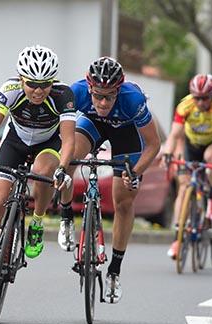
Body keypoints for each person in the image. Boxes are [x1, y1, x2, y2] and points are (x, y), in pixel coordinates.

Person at [0, 45, 76, 300]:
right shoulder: (10, 90)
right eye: (32, 84)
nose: (38, 91)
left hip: (48, 144)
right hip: (15, 142)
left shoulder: (63, 95)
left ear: (53, 81)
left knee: (42, 170)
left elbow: (68, 140)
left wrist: (61, 168)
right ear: (21, 79)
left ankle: (37, 220)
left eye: (44, 84)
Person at [58, 57, 161, 303]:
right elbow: (63, 133)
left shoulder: (132, 100)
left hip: (125, 132)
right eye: (98, 96)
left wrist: (135, 172)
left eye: (109, 97)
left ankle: (114, 270)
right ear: (90, 89)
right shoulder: (77, 92)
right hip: (92, 125)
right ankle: (65, 218)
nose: (103, 102)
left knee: (123, 201)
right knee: (70, 158)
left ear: (118, 91)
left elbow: (154, 144)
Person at [162, 74, 212, 259]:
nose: (200, 102)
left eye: (205, 98)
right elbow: (174, 135)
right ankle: (177, 238)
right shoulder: (185, 106)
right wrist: (168, 153)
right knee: (183, 187)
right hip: (191, 145)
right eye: (196, 98)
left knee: (211, 164)